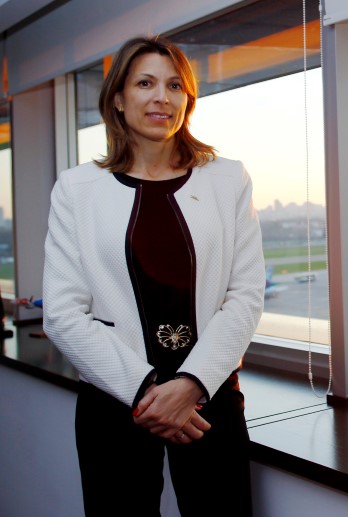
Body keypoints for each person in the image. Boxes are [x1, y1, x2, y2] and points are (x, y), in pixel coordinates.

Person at [43, 36, 265, 516]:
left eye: (174, 86)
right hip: (114, 400)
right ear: (119, 99)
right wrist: (147, 394)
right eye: (145, 83)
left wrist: (189, 386)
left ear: (188, 100)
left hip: (210, 401)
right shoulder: (77, 189)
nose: (162, 97)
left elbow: (245, 297)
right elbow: (62, 314)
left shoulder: (228, 179)